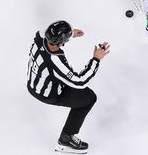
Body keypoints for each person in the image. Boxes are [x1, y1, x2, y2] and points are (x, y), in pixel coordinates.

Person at [27, 20, 110, 153]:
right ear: (61, 43)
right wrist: (96, 59)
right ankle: (66, 139)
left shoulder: (39, 37)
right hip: (47, 94)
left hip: (33, 82)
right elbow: (79, 82)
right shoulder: (54, 60)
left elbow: (50, 32)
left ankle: (66, 138)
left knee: (81, 92)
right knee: (89, 98)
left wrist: (69, 35)